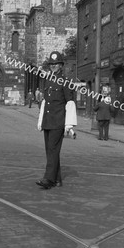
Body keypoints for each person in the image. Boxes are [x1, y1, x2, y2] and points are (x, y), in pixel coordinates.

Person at [36, 51, 77, 190]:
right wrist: (41, 120)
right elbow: (45, 102)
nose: (53, 66)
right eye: (51, 64)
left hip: (58, 122)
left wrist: (69, 125)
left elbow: (70, 103)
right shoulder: (47, 80)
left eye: (56, 64)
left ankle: (48, 179)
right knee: (50, 150)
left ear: (61, 65)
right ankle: (57, 179)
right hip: (48, 121)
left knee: (53, 149)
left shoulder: (65, 82)